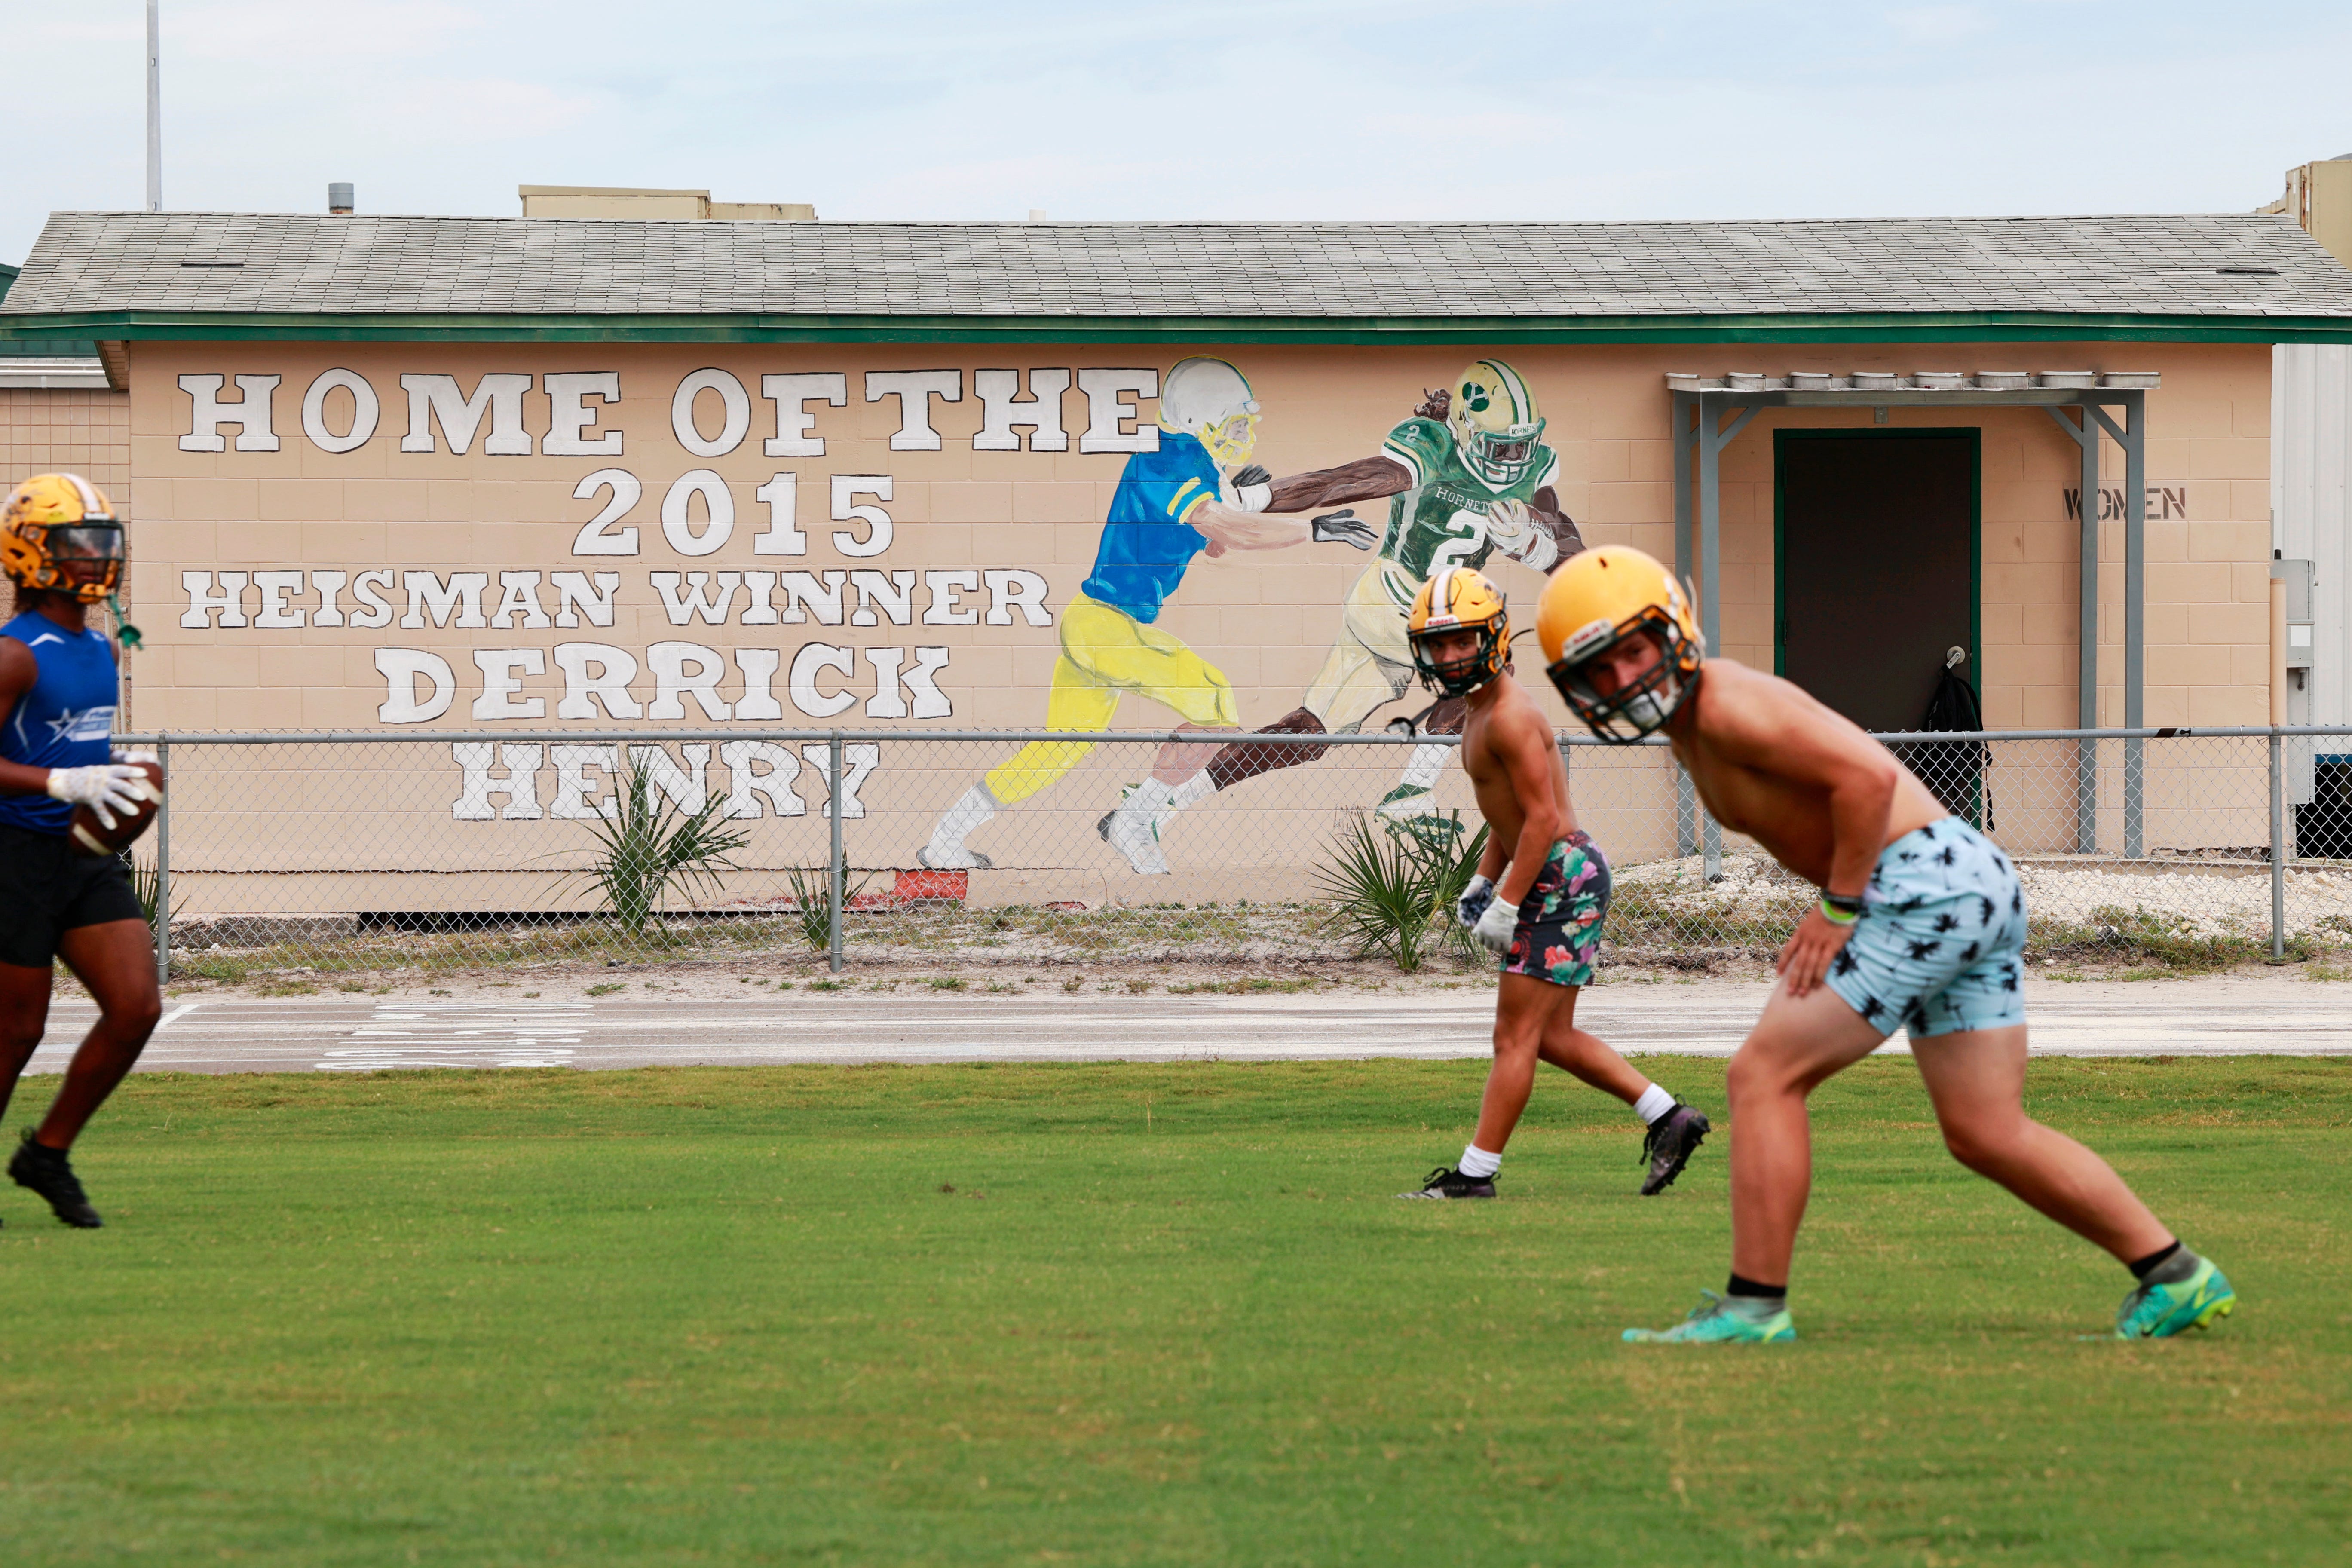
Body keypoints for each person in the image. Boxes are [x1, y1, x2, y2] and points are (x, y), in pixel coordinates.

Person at [1536, 544, 2234, 1342]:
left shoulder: (1724, 703)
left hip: (1918, 881)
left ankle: (1752, 1308)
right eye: (1602, 667)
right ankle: (2174, 1273)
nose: (1625, 678)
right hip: (1966, 878)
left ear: (1675, 629)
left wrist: (1837, 909)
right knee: (1985, 1130)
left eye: (1635, 649)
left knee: (1762, 1075)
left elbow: (1866, 782)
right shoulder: (1700, 720)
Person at [1103, 360, 1583, 861]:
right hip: (1401, 599)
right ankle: (1413, 795)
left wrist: (1539, 545)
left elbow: (1570, 547)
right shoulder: (1431, 450)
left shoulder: (1535, 469)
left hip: (1394, 611)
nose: (1511, 460)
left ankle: (1153, 807)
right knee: (1491, 664)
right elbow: (1350, 480)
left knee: (1308, 735)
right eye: (1500, 446)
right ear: (1463, 427)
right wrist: (1260, 497)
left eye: (1521, 447)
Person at [918, 357, 1377, 874]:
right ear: (1200, 420)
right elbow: (1224, 529)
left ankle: (945, 840)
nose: (1245, 433)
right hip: (1106, 625)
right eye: (1236, 423)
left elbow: (1213, 543)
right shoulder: (1168, 459)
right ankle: (1136, 818)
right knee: (1214, 695)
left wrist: (1235, 505)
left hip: (1098, 622)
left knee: (1057, 752)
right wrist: (1308, 531)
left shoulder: (1195, 466)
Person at [1394, 566, 1709, 1201]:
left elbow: (1541, 820)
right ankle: (1669, 1117)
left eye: (1462, 641)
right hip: (1555, 869)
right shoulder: (1479, 714)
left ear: (1495, 637)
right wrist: (1482, 883)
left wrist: (1509, 903)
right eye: (1439, 645)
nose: (1451, 656)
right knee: (1551, 1038)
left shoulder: (1508, 717)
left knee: (1513, 1037)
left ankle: (1474, 1176)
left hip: (1559, 873)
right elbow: (1505, 818)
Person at [0, 473, 163, 1230]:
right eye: (78, 544)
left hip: (78, 851)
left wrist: (117, 779)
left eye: (103, 542)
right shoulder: (15, 654)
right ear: (31, 552)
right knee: (18, 1028)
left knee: (136, 1006)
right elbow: (46, 761)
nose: (97, 559)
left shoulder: (99, 645)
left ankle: (48, 1152)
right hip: (14, 852)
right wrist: (62, 778)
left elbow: (77, 741)